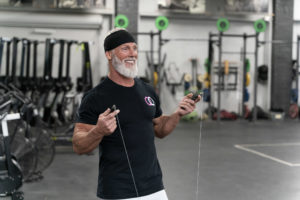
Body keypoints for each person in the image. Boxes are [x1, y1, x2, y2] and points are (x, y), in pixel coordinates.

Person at [72, 28, 201, 200]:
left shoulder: (147, 90)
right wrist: (98, 131)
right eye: (125, 48)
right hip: (117, 191)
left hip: (154, 187)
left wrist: (177, 114)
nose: (132, 53)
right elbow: (78, 146)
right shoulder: (95, 98)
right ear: (109, 55)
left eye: (135, 48)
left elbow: (160, 129)